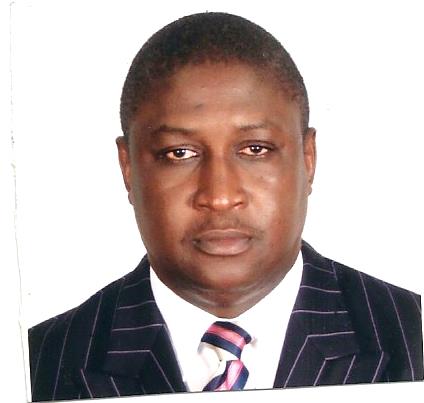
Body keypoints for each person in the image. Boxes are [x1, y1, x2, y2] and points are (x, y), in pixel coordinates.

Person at [28, 12, 423, 401]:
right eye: (179, 153)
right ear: (128, 168)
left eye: (256, 149)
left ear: (308, 159)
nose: (219, 196)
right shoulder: (34, 363)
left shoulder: (411, 334)